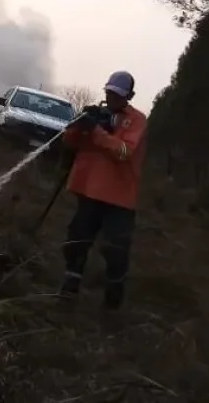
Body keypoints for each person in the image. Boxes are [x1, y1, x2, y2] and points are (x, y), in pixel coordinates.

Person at [59, 71, 147, 310]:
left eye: (118, 95)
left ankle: (113, 297)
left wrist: (97, 132)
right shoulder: (96, 115)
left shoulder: (136, 120)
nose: (112, 98)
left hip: (119, 198)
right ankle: (69, 289)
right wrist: (80, 124)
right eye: (109, 93)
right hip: (88, 191)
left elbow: (124, 152)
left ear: (129, 95)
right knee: (76, 241)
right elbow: (69, 141)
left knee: (115, 249)